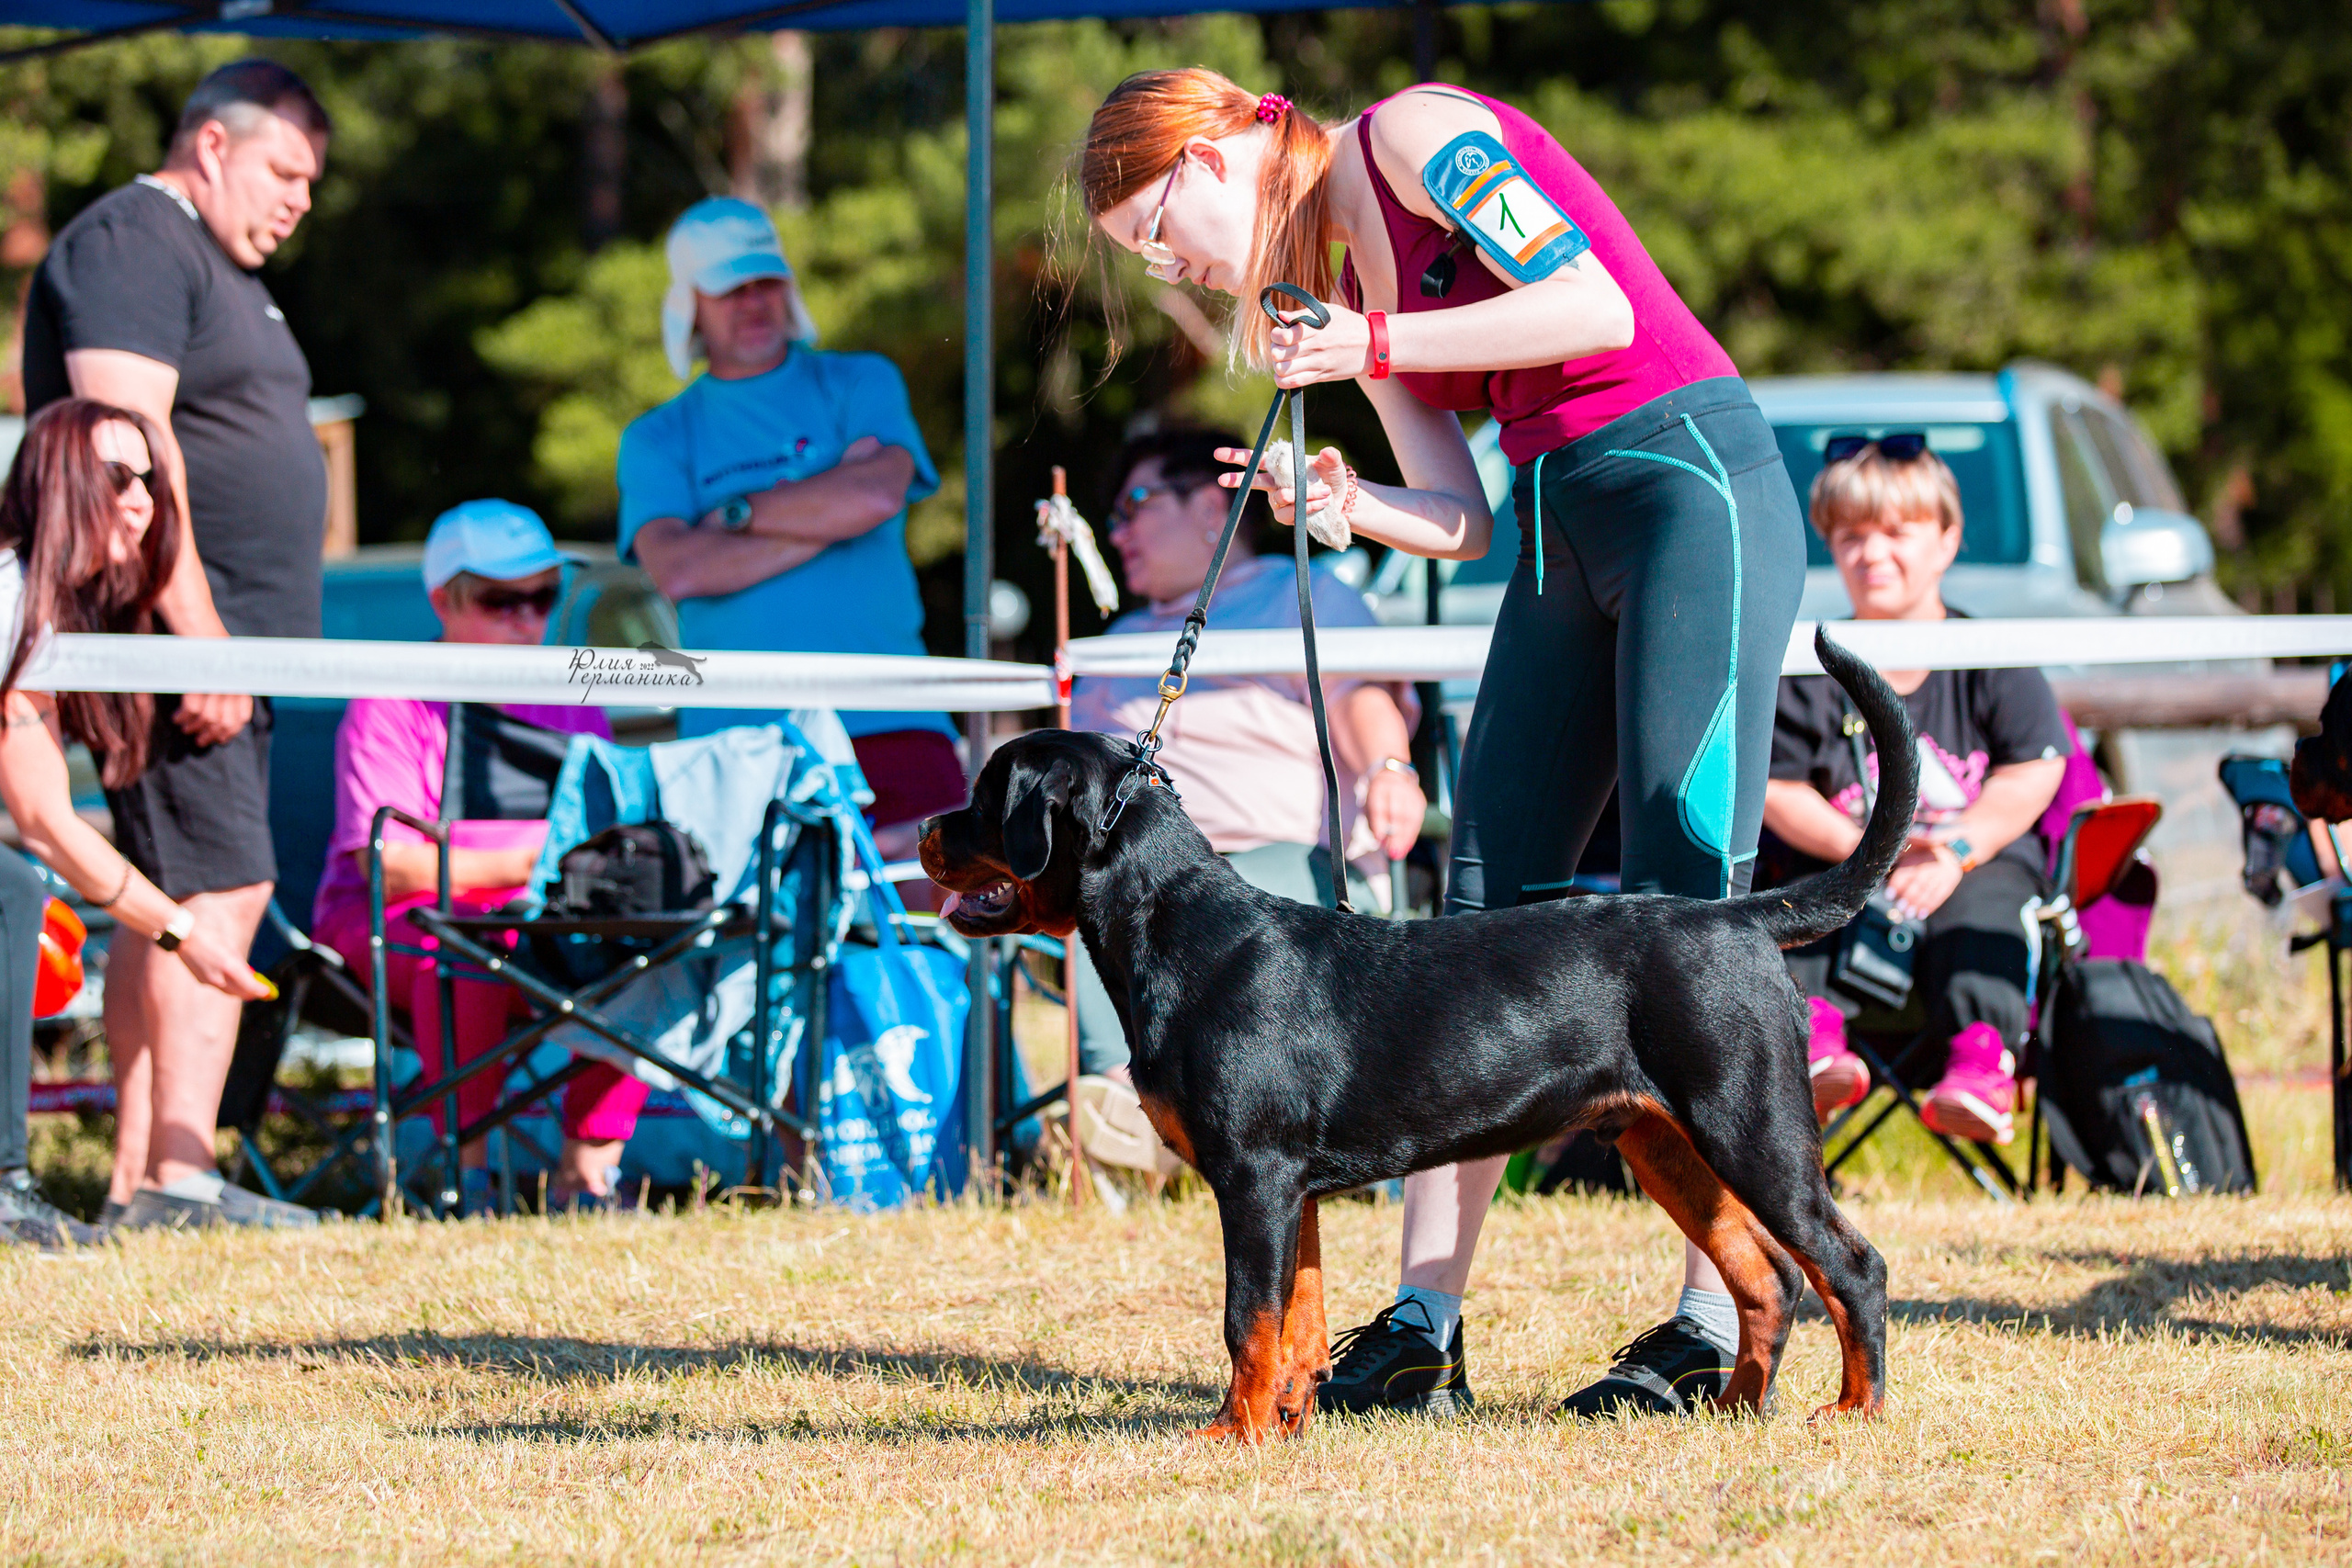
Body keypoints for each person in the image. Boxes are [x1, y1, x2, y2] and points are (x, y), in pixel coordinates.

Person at [1084, 70, 1807, 1419]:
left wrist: (1366, 350)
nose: (1172, 257)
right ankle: (1426, 1322)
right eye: (1145, 254)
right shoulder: (1348, 277)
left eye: (1162, 221)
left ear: (1229, 132)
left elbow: (1591, 304)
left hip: (1686, 478)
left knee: (1684, 879)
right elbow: (1460, 517)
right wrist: (1353, 502)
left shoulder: (1411, 134)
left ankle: (1722, 1316)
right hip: (1553, 514)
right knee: (1480, 906)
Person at [19, 59, 332, 1225]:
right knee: (221, 882)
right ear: (210, 144)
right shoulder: (135, 242)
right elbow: (126, 439)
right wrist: (197, 635)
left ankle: (143, 1179)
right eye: (283, 171)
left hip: (228, 641)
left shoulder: (213, 264)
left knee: (179, 887)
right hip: (177, 639)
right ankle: (181, 1177)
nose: (301, 200)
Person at [0, 400, 286, 1230]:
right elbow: (46, 819)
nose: (141, 499)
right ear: (56, 481)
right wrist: (184, 933)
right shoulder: (14, 598)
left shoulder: (51, 610)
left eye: (151, 479)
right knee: (15, 888)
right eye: (118, 476)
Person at [309, 502, 642, 1211]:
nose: (528, 617)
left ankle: (589, 1174)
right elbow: (393, 868)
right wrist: (551, 853)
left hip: (534, 915)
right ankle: (468, 1181)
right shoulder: (393, 697)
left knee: (645, 939)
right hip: (384, 925)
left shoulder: (574, 693)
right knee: (468, 945)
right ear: (443, 601)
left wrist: (540, 864)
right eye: (502, 599)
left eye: (544, 595)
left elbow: (619, 846)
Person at [1067, 428, 1424, 1084]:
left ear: (1211, 508)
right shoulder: (1114, 641)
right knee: (1091, 891)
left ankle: (1135, 1104)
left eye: (1134, 505)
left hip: (1285, 871)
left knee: (1163, 900)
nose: (1116, 534)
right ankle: (1118, 1100)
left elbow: (1358, 697)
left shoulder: (1301, 594)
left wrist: (1388, 769)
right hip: (1143, 874)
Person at [617, 197, 963, 865]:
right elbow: (679, 569)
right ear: (690, 304)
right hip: (734, 742)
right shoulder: (656, 435)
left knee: (938, 948)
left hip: (894, 719)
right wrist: (827, 510)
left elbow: (875, 491)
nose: (753, 302)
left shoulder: (861, 378)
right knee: (757, 963)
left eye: (765, 281)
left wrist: (735, 516)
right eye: (730, 290)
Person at [1763, 436, 2066, 1144]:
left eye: (1897, 533)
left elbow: (2036, 767)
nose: (1873, 554)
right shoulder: (1810, 666)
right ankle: (1814, 1052)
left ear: (1947, 541)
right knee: (1801, 906)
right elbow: (1778, 788)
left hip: (1966, 864)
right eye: (1851, 536)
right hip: (1844, 862)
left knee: (1988, 909)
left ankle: (1981, 1066)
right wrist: (1868, 854)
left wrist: (1958, 847)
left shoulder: (1986, 654)